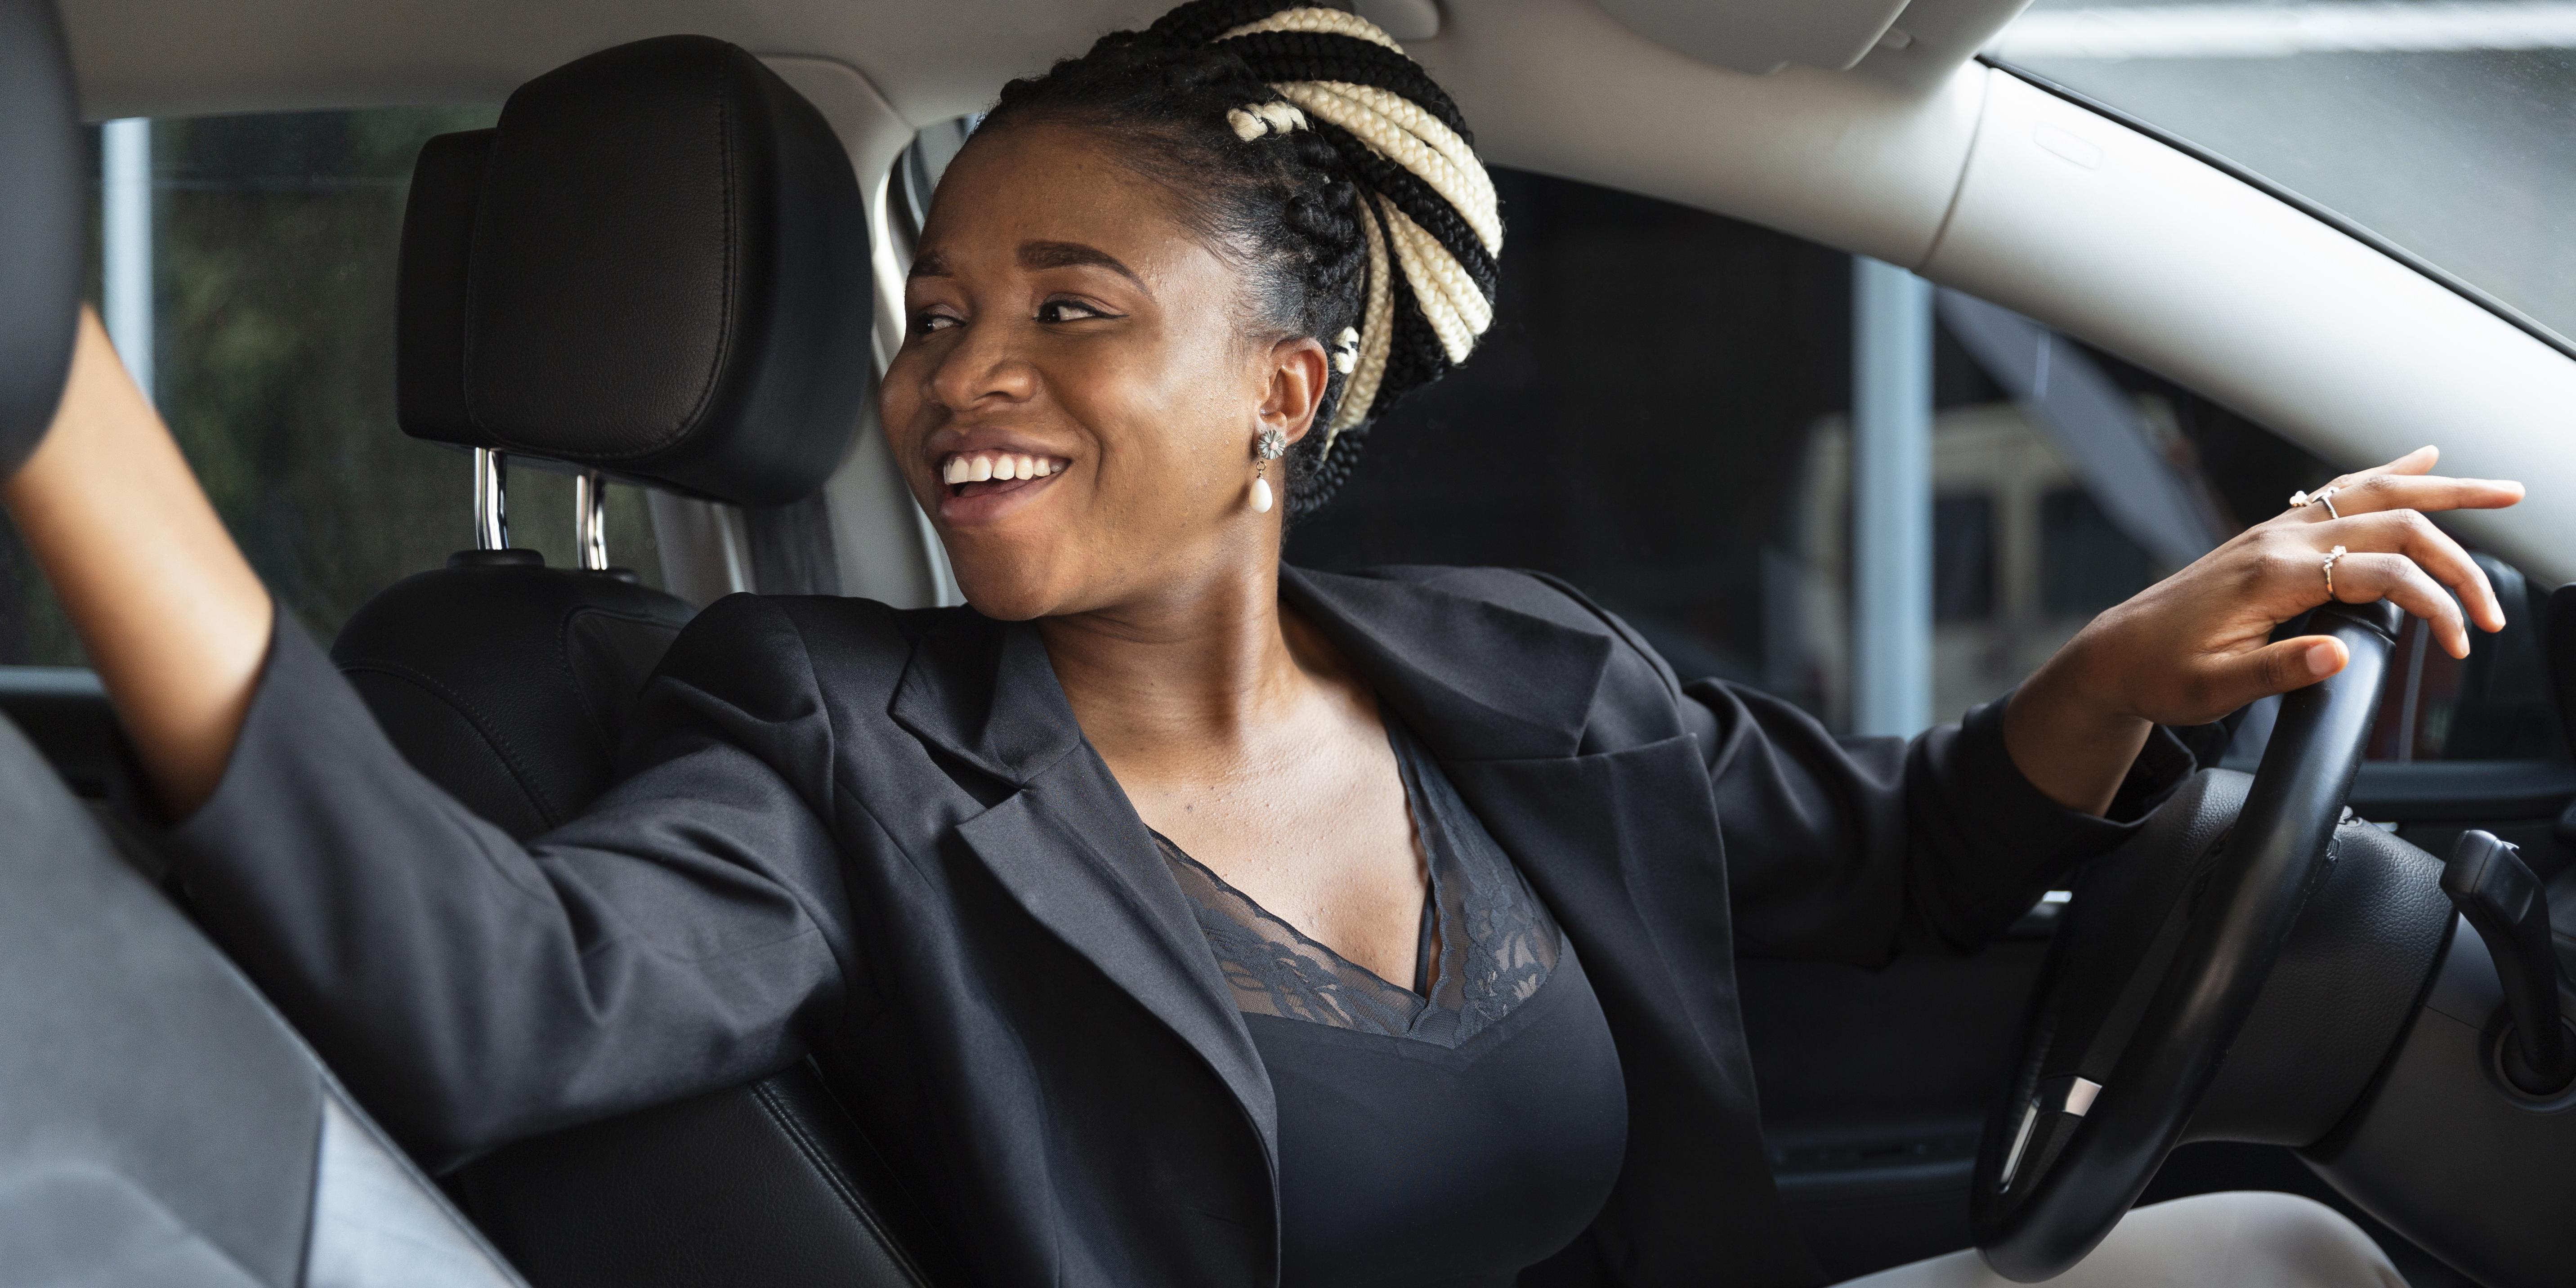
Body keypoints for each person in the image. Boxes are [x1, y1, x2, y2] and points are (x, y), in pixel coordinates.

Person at [0, 3, 2517, 1284]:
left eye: (1067, 307)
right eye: (939, 305)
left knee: (2280, 1248)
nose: (958, 372)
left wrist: (2140, 660)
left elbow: (1908, 859)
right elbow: (500, 999)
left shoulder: (1529, 681)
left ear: (1282, 395)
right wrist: (59, 397)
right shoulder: (833, 741)